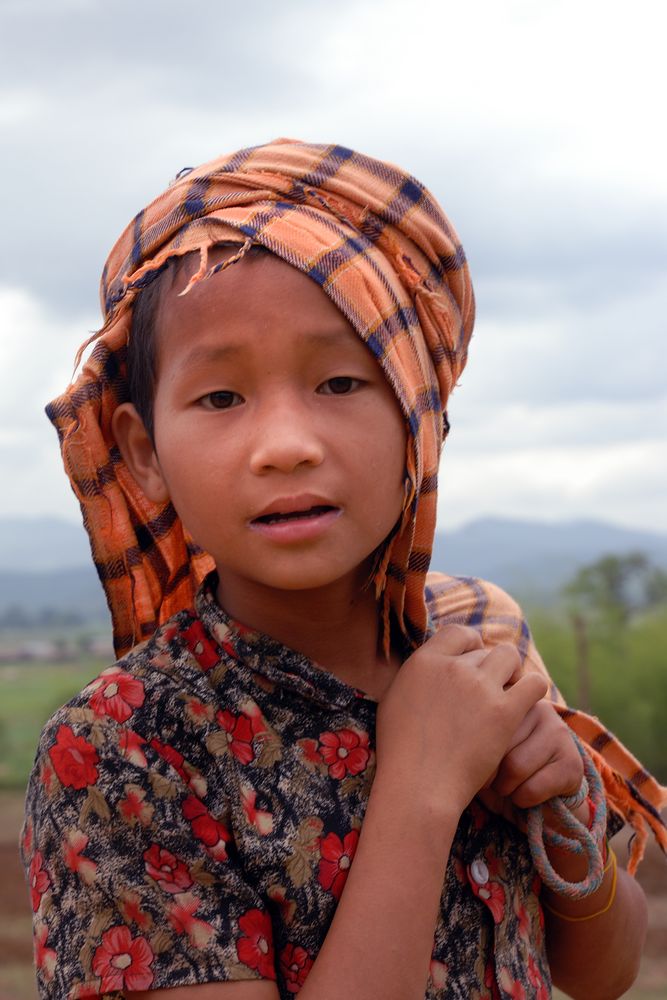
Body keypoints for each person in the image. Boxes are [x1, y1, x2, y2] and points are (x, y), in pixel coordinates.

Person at [22, 139, 666, 1000]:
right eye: (221, 398)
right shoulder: (122, 751)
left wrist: (561, 812)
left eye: (339, 383)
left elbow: (603, 973)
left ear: (418, 419)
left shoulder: (477, 649)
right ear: (142, 453)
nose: (287, 445)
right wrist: (425, 785)